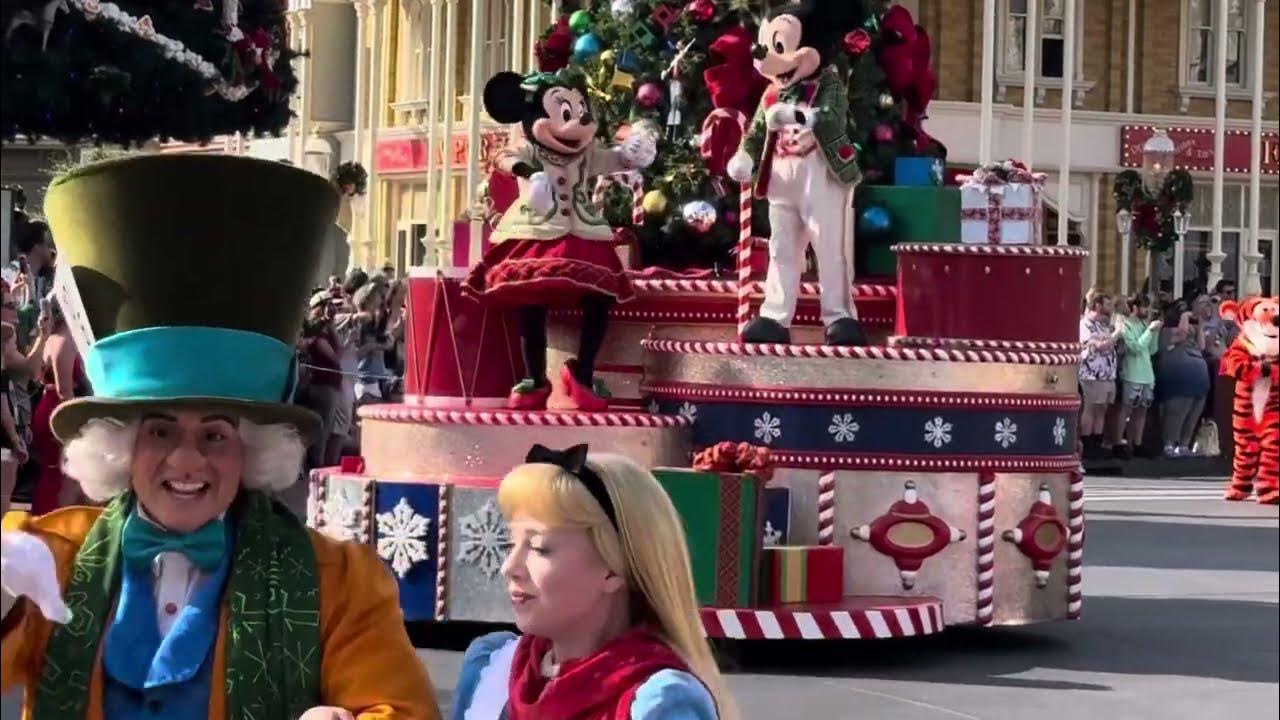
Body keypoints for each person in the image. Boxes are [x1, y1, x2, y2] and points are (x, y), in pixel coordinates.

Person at [0, 154, 439, 719]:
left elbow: (400, 709)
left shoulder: (339, 583)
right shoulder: (48, 560)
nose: (187, 460)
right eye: (159, 430)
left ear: (252, 449)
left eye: (215, 435)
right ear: (121, 443)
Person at [450, 444, 737, 720]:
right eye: (510, 544)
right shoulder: (492, 670)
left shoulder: (656, 703)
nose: (509, 567)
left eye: (539, 548)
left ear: (613, 569)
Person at [28, 298, 90, 513]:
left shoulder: (51, 338)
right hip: (59, 409)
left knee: (55, 473)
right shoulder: (65, 339)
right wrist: (80, 424)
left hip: (50, 405)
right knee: (64, 475)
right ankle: (52, 522)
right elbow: (65, 390)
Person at [1157, 299, 1210, 457]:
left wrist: (1200, 324)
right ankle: (1169, 444)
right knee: (1177, 411)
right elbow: (1181, 334)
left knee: (1193, 413)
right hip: (1179, 380)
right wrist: (1185, 318)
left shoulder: (1192, 333)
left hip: (1198, 381)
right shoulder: (1167, 333)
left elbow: (1201, 346)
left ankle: (1184, 444)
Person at [1112, 295, 1162, 458]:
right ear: (1134, 308)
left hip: (1147, 374)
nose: (1147, 311)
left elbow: (1152, 349)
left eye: (1148, 307)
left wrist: (1154, 333)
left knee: (1142, 410)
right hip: (1132, 373)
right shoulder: (1125, 326)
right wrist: (1149, 331)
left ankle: (1137, 443)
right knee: (1126, 409)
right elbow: (1135, 347)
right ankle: (1118, 442)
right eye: (1144, 307)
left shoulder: (1143, 324)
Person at [1078, 292, 1123, 460]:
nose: (1111, 309)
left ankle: (1098, 442)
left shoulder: (1104, 326)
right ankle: (1087, 444)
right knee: (1091, 409)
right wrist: (1117, 333)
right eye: (1108, 305)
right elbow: (1099, 346)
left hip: (1107, 374)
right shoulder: (1085, 325)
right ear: (1097, 306)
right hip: (1091, 374)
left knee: (1102, 409)